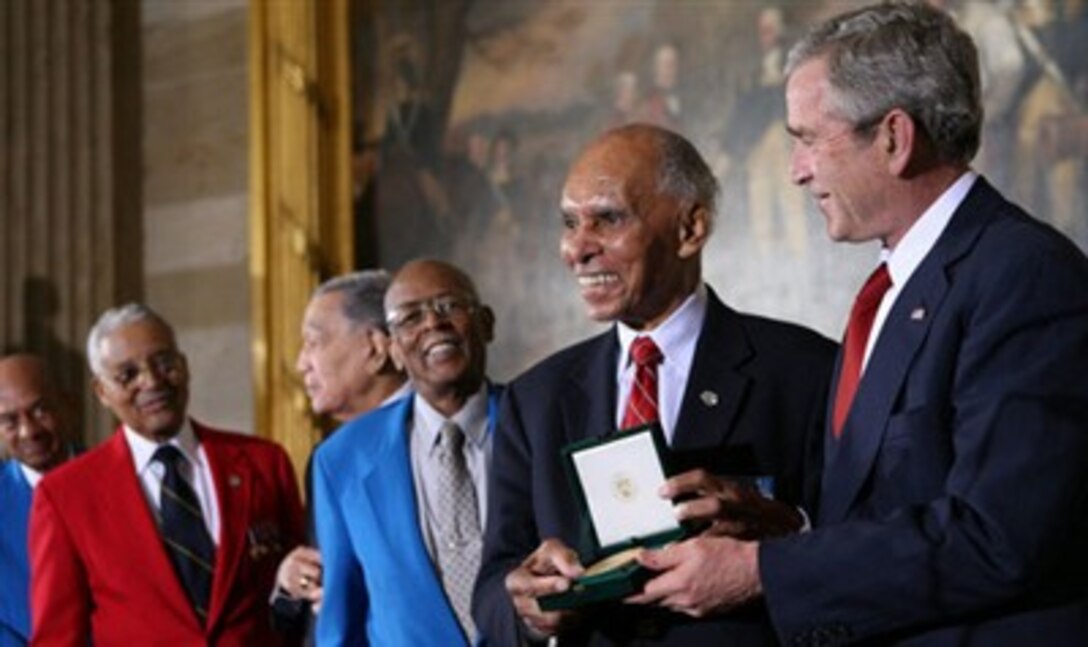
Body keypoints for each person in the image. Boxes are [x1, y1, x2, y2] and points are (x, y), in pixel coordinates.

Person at [628, 2, 1088, 644]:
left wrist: (766, 570)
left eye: (810, 138)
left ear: (895, 138)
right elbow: (891, 510)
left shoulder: (1024, 275)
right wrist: (787, 528)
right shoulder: (894, 288)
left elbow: (998, 536)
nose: (795, 169)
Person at [473, 123, 837, 645]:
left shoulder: (805, 371)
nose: (578, 249)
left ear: (690, 228)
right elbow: (492, 591)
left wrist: (783, 533)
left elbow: (863, 552)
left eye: (608, 219)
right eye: (570, 223)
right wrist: (526, 605)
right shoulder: (536, 399)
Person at [29, 303, 304, 645]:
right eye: (127, 374)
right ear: (102, 392)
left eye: (164, 363)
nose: (152, 382)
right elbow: (58, 637)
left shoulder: (263, 462)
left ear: (184, 366)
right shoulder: (66, 495)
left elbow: (301, 593)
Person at [312, 259, 501, 645]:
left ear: (486, 323)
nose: (433, 324)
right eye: (410, 318)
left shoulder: (537, 419)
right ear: (394, 349)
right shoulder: (341, 459)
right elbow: (342, 618)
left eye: (449, 306)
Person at [269, 270, 410, 640]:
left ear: (376, 348)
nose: (302, 363)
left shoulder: (437, 433)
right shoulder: (329, 459)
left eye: (313, 343)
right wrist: (290, 584)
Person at [0, 354, 78, 646]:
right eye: (9, 420)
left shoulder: (119, 483)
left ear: (69, 405)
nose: (28, 431)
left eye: (40, 410)